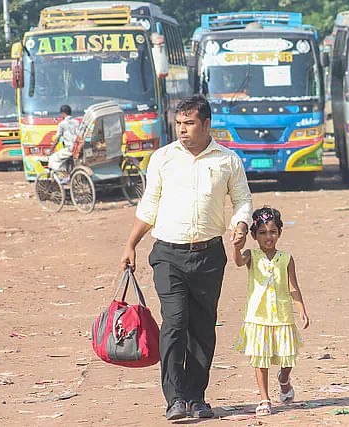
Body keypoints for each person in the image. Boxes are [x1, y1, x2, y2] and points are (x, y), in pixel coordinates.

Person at [119, 94, 253, 420]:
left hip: (209, 256)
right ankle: (174, 398)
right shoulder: (162, 158)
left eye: (189, 123)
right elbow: (149, 207)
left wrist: (241, 225)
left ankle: (196, 397)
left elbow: (242, 200)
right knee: (175, 322)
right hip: (168, 254)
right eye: (179, 123)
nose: (182, 130)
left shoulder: (227, 160)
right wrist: (130, 244)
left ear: (207, 124)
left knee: (203, 328)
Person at [232, 207, 309, 416]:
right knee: (261, 357)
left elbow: (293, 286)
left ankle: (284, 379)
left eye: (273, 232)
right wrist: (236, 248)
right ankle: (264, 398)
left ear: (280, 233)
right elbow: (238, 262)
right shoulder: (252, 255)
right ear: (254, 235)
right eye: (263, 233)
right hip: (257, 316)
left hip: (282, 316)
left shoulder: (286, 258)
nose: (268, 237)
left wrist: (301, 308)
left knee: (287, 358)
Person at [48, 105, 79, 173]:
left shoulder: (62, 124)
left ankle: (65, 175)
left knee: (52, 158)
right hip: (77, 148)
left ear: (63, 113)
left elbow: (57, 139)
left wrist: (51, 150)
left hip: (69, 149)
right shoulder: (77, 122)